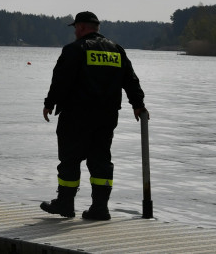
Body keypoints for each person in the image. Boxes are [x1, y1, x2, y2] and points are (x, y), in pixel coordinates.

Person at [41, 11, 147, 221]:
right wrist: (138, 104)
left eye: (75, 29)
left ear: (80, 27)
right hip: (106, 116)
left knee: (70, 159)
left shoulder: (75, 49)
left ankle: (65, 204)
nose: (74, 32)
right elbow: (131, 80)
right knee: (101, 159)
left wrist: (49, 103)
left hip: (77, 114)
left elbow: (61, 79)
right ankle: (100, 208)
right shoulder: (116, 50)